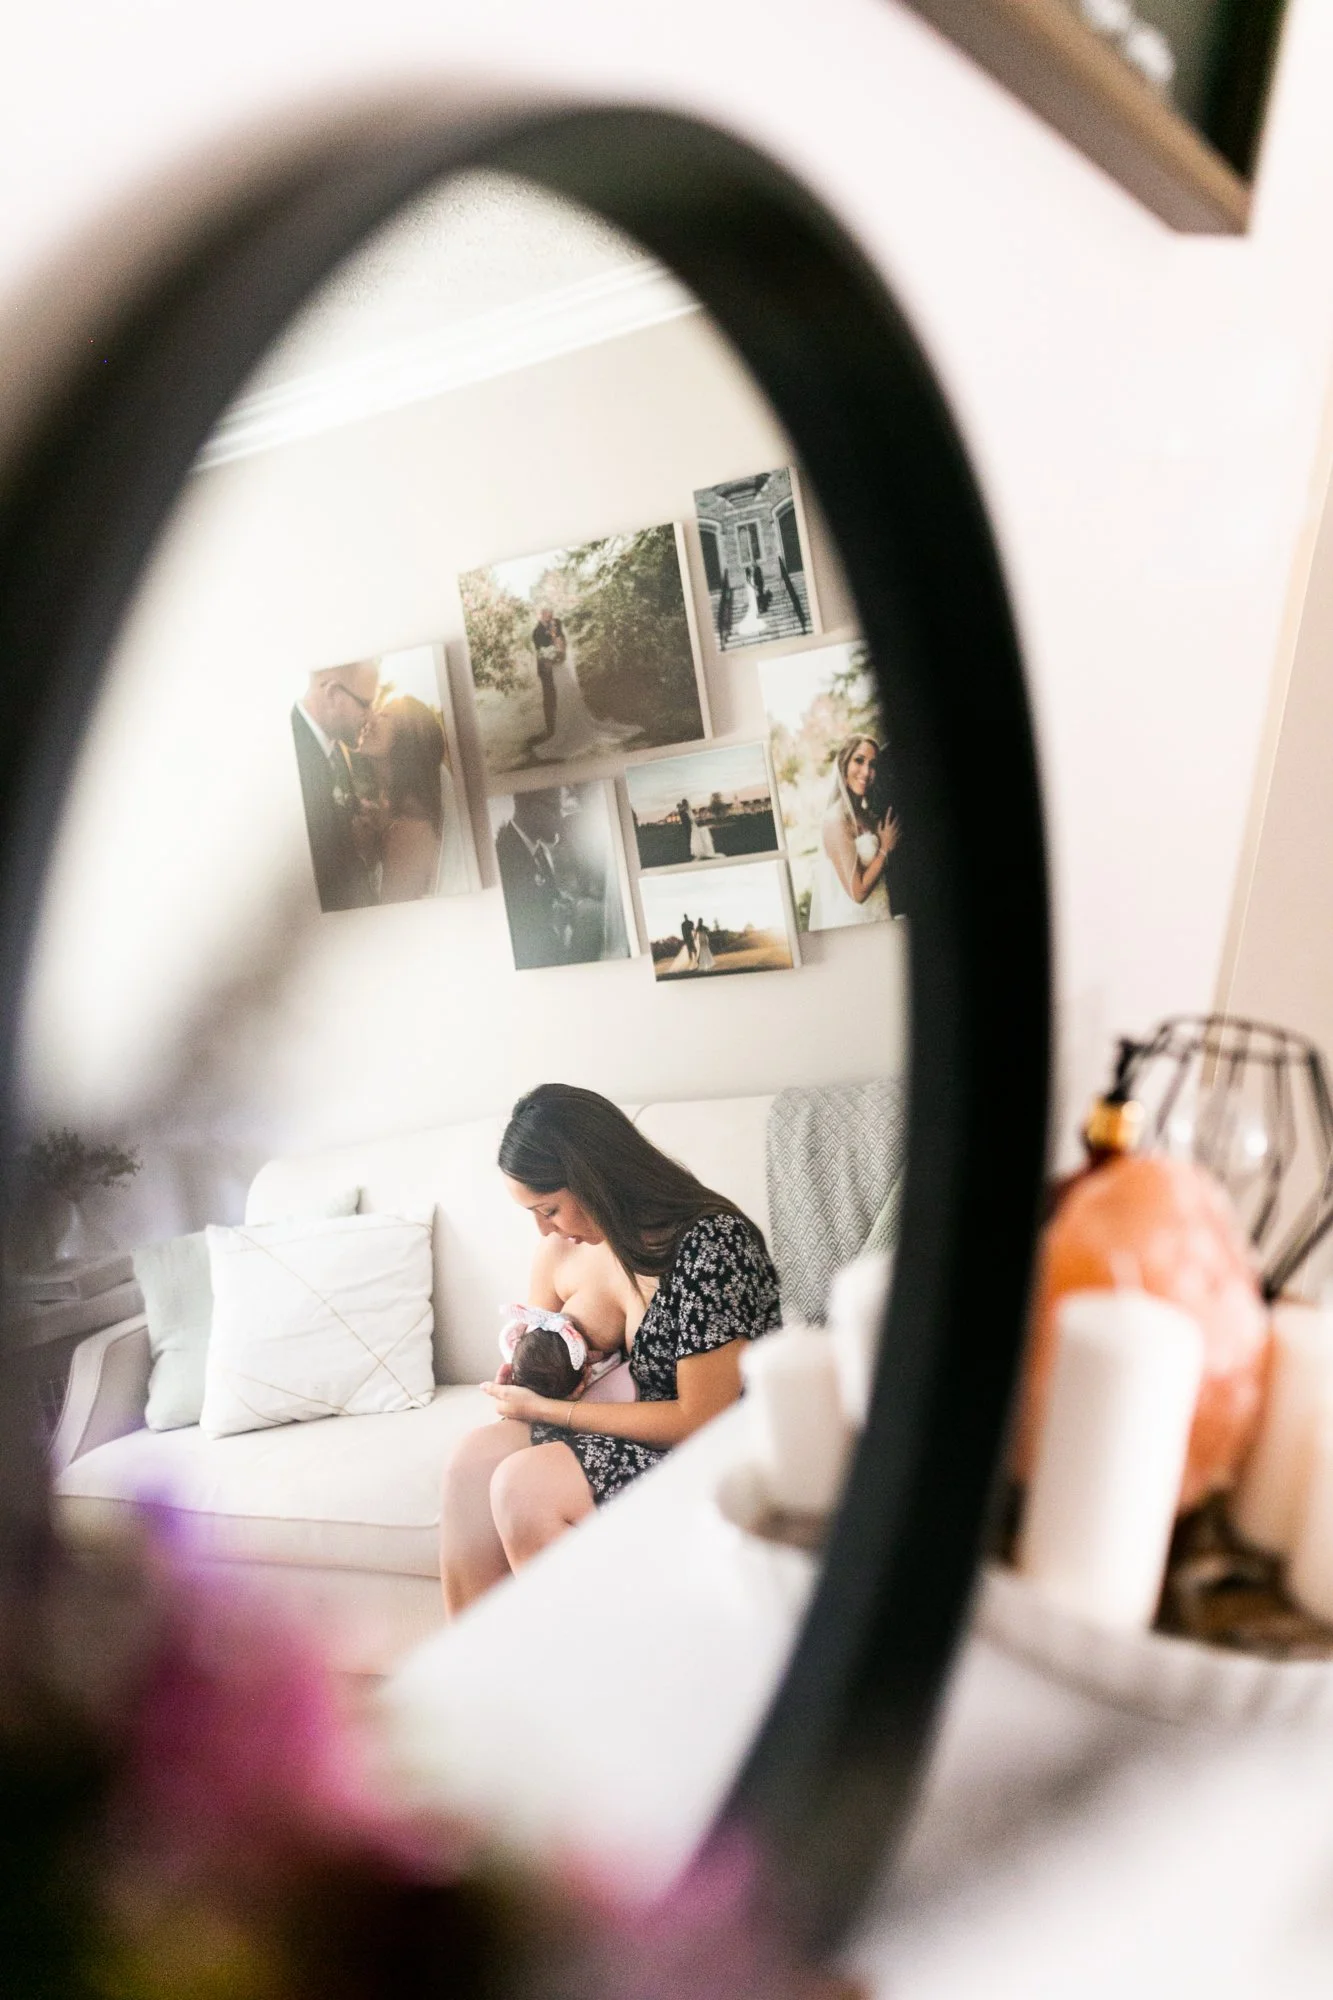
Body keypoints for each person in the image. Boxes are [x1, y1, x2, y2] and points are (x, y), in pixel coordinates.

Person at [439, 1085, 781, 1613]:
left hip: (712, 1451)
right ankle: (469, 1674)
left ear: (593, 1179)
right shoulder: (583, 1247)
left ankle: (577, 1675)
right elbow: (539, 1362)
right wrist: (530, 1381)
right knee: (473, 1461)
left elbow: (702, 1419)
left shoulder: (712, 1245)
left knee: (523, 1486)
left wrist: (552, 1410)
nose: (542, 1229)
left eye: (549, 1208)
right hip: (638, 1431)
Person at [290, 661, 380, 911]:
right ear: (332, 693)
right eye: (365, 704)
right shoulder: (289, 748)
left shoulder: (338, 750)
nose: (372, 716)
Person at [355, 694, 449, 903]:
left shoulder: (409, 831)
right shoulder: (391, 815)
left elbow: (391, 923)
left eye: (384, 715)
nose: (370, 719)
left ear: (406, 739)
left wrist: (362, 859)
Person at [808, 734, 898, 930]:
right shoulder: (835, 820)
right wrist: (884, 849)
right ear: (844, 764)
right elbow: (857, 892)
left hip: (881, 914)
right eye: (859, 760)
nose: (866, 772)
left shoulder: (867, 816)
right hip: (855, 923)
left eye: (873, 765)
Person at [530, 619, 641, 764]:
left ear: (556, 628)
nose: (550, 630)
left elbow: (561, 654)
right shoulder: (551, 639)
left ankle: (571, 727)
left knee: (567, 698)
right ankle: (564, 726)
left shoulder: (559, 638)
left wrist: (552, 660)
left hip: (562, 671)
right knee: (563, 701)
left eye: (552, 628)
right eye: (549, 628)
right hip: (558, 672)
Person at [530, 605, 565, 743]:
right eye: (547, 615)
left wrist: (558, 653)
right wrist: (548, 659)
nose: (550, 617)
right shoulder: (536, 632)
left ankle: (561, 723)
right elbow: (540, 650)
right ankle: (551, 728)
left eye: (551, 614)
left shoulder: (555, 624)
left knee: (559, 695)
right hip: (545, 668)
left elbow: (559, 639)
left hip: (557, 666)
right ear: (541, 615)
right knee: (549, 697)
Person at [680, 796, 716, 862]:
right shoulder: (687, 811)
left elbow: (692, 819)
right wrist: (697, 819)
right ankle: (700, 852)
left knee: (696, 839)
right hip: (693, 826)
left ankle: (698, 852)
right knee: (696, 838)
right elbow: (692, 819)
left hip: (693, 826)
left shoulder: (686, 811)